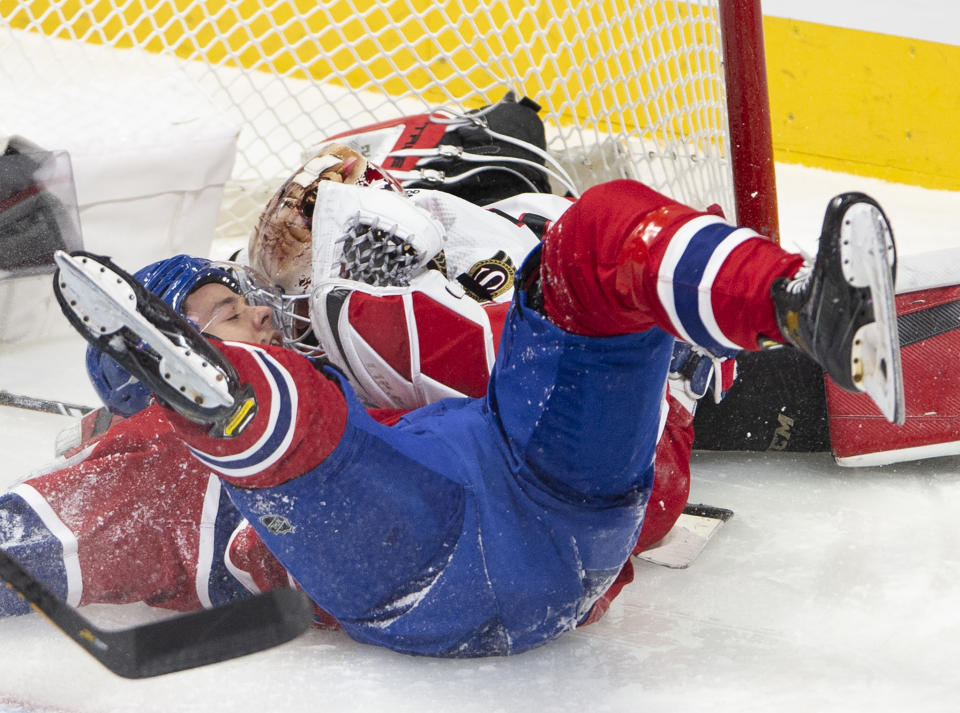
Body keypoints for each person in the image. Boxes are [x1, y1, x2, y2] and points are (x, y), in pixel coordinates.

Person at [49, 174, 901, 657]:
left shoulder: (356, 369)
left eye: (245, 302)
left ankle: (799, 300)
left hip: (549, 504)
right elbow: (33, 534)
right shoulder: (137, 463)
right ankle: (225, 405)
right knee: (302, 431)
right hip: (408, 563)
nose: (262, 310)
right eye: (223, 310)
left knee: (593, 241)